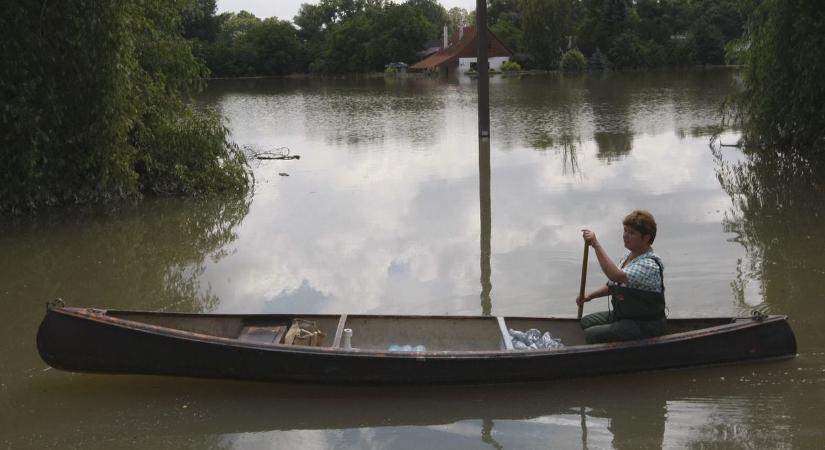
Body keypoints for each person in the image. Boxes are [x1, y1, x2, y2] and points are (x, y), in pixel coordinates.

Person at [576, 209, 666, 344]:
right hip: (625, 317)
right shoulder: (628, 258)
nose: (625, 235)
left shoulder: (648, 265)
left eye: (631, 233)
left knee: (591, 334)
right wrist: (589, 296)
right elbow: (613, 284)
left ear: (646, 238)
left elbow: (615, 275)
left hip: (644, 325)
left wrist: (596, 244)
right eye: (625, 231)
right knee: (585, 322)